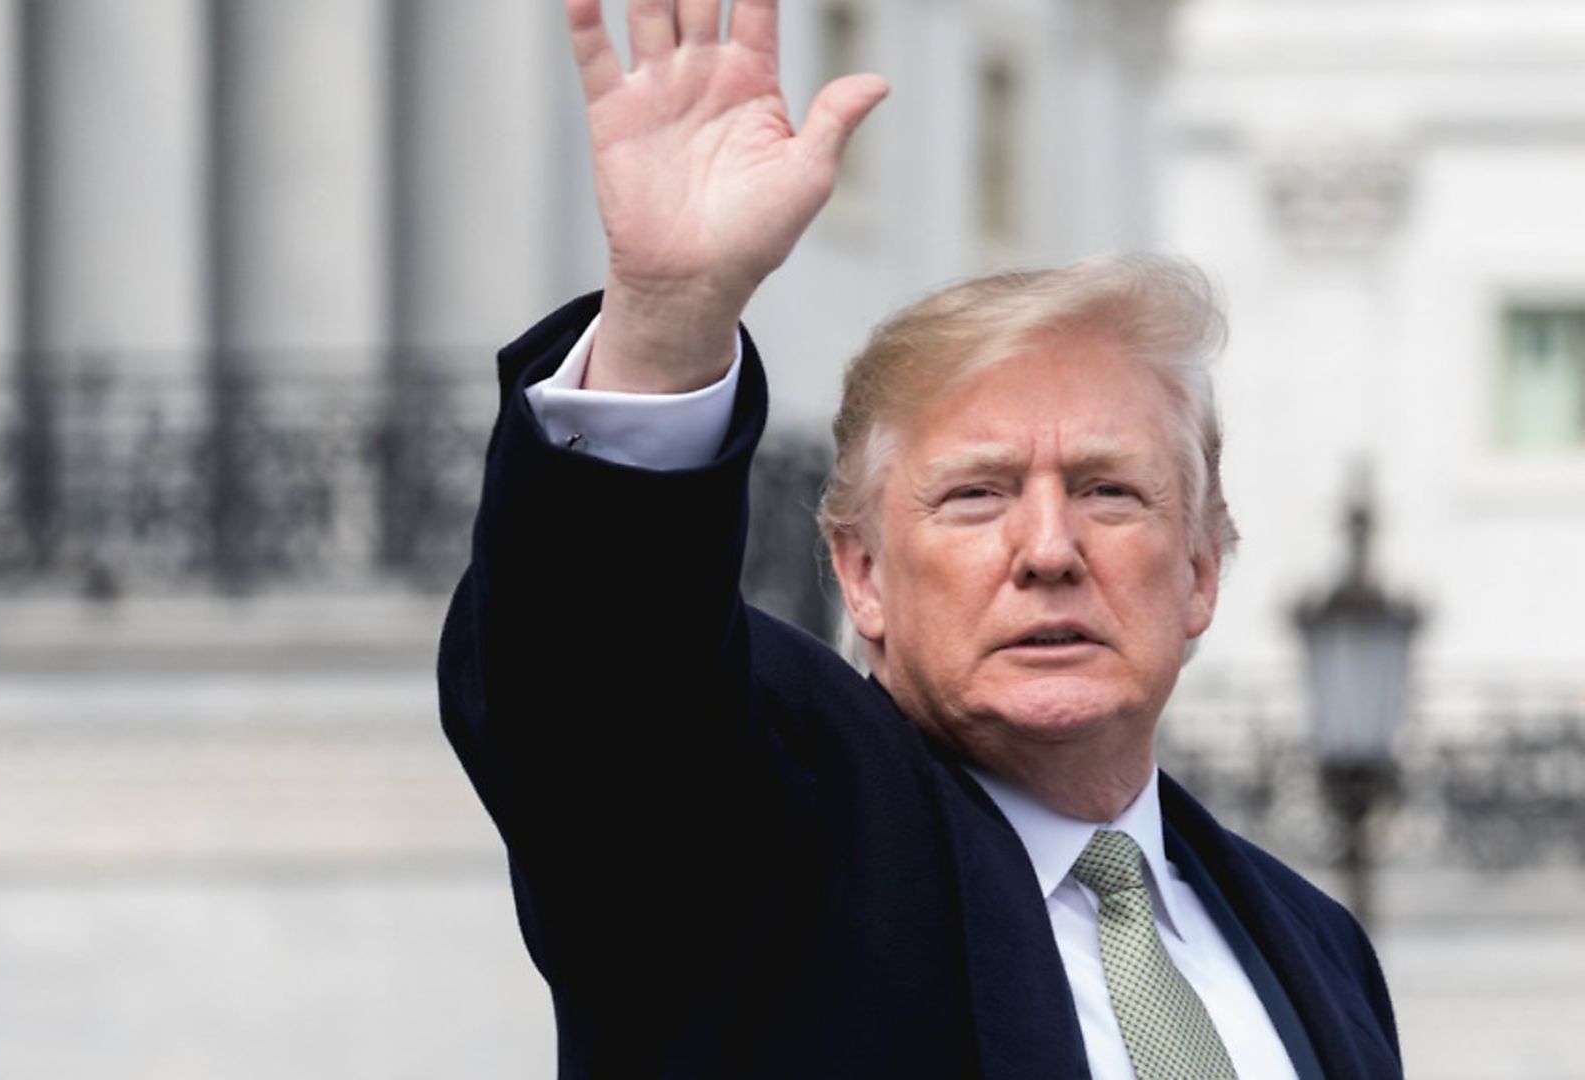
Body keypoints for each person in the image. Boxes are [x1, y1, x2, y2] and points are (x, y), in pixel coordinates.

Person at [437, 1, 1404, 1076]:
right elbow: (600, 690)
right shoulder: (767, 843)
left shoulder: (1319, 949)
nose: (1048, 549)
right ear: (862, 575)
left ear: (1202, 573)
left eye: (1109, 492)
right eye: (977, 496)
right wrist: (665, 326)